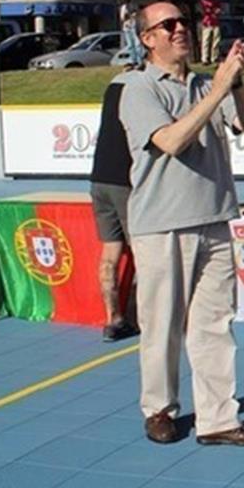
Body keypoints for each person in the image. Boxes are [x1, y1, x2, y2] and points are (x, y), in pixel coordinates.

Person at [119, 3, 244, 446]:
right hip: (163, 223)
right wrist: (217, 89)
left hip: (215, 217)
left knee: (215, 325)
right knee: (162, 325)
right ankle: (159, 408)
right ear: (148, 38)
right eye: (168, 25)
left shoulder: (206, 83)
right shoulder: (138, 87)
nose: (181, 29)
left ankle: (218, 419)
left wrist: (234, 83)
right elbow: (172, 141)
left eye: (183, 21)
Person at [90, 71, 140, 342]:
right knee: (143, 252)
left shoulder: (112, 88)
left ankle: (112, 318)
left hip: (100, 177)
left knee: (110, 254)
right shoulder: (140, 92)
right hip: (124, 179)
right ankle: (136, 315)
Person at [119, 0, 142, 68]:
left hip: (133, 26)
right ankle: (133, 61)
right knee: (130, 45)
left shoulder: (134, 5)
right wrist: (126, 16)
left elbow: (136, 15)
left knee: (137, 44)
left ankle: (139, 61)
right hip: (127, 27)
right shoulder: (123, 7)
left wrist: (132, 15)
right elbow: (122, 18)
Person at [199, 0, 222, 65]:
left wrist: (218, 11)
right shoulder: (203, 1)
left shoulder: (217, 1)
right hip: (207, 22)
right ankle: (204, 58)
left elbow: (219, 10)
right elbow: (203, 11)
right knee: (206, 41)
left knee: (216, 41)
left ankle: (214, 57)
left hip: (215, 22)